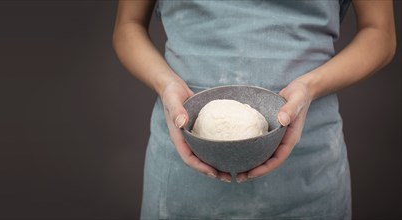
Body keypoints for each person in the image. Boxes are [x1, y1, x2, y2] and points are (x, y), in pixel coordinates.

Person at [113, 0, 396, 219]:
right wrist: (166, 85)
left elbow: (380, 32)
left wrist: (309, 87)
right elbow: (128, 24)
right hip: (182, 162)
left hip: (308, 168)